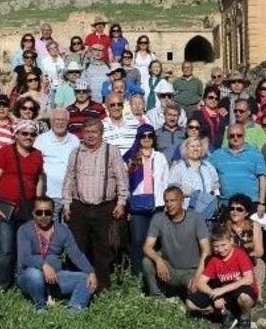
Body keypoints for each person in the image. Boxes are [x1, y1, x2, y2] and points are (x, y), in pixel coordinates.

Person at [62, 118, 129, 290]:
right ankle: (77, 284)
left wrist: (121, 202)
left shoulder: (111, 151)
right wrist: (67, 204)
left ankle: (101, 287)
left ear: (101, 134)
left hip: (104, 207)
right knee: (77, 247)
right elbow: (69, 179)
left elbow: (122, 179)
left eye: (94, 132)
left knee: (103, 248)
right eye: (87, 132)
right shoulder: (75, 153)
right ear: (82, 134)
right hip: (79, 206)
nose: (90, 136)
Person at [0, 120, 44, 290]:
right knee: (6, 248)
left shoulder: (37, 155)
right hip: (6, 206)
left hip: (27, 208)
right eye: (24, 133)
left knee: (23, 249)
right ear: (17, 134)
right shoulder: (5, 152)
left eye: (32, 134)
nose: (28, 137)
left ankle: (21, 282)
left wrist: (38, 205)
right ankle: (3, 286)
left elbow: (39, 180)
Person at [16, 196, 98, 312]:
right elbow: (25, 258)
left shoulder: (62, 230)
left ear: (53, 213)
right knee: (35, 275)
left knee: (85, 279)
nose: (43, 216)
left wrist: (90, 271)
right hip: (30, 277)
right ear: (33, 213)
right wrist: (43, 265)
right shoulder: (24, 230)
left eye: (47, 212)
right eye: (39, 212)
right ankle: (40, 306)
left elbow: (76, 255)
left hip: (56, 276)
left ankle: (74, 310)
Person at [186, 225, 258, 329]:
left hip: (241, 290)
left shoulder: (240, 254)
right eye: (216, 246)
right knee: (190, 303)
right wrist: (214, 295)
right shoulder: (215, 259)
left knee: (244, 297)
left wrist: (222, 290)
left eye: (223, 245)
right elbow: (201, 282)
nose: (220, 249)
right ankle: (226, 314)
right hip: (224, 294)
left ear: (231, 241)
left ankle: (244, 319)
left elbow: (248, 279)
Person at [143, 186, 210, 298]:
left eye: (173, 200)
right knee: (147, 261)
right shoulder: (158, 218)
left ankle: (178, 291)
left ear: (182, 201)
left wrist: (198, 275)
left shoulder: (196, 218)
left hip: (191, 271)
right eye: (166, 201)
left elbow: (206, 250)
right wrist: (158, 260)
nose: (169, 204)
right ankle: (156, 296)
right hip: (170, 270)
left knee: (197, 299)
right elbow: (147, 247)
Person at [124, 124, 169, 275]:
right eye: (143, 136)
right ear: (138, 138)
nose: (146, 138)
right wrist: (127, 205)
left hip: (158, 205)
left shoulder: (160, 157)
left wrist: (166, 203)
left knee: (155, 240)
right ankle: (137, 274)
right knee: (138, 239)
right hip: (137, 205)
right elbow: (125, 182)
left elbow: (166, 181)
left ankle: (155, 273)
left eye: (150, 135)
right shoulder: (131, 157)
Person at [209, 124, 266, 214]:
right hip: (226, 204)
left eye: (239, 135)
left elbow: (262, 179)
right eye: (232, 135)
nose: (235, 138)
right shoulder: (217, 155)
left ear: (244, 136)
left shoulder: (256, 154)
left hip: (251, 204)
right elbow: (206, 170)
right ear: (227, 137)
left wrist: (262, 203)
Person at [34, 108, 81, 222]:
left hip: (69, 196)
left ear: (68, 122)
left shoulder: (75, 140)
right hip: (48, 195)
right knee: (51, 229)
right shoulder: (41, 140)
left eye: (63, 120)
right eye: (56, 120)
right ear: (51, 121)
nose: (59, 123)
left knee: (67, 230)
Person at [223, 194, 266, 296]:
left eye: (239, 209)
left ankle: (256, 291)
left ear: (246, 213)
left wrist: (248, 255)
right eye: (232, 209)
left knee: (259, 264)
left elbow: (259, 251)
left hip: (249, 259)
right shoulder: (224, 226)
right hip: (230, 262)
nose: (235, 212)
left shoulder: (254, 225)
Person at [168, 137, 220, 215]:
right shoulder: (178, 168)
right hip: (187, 212)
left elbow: (216, 188)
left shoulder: (209, 166)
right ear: (186, 149)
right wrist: (191, 193)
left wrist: (216, 203)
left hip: (209, 211)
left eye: (198, 146)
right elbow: (172, 191)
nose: (195, 149)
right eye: (192, 146)